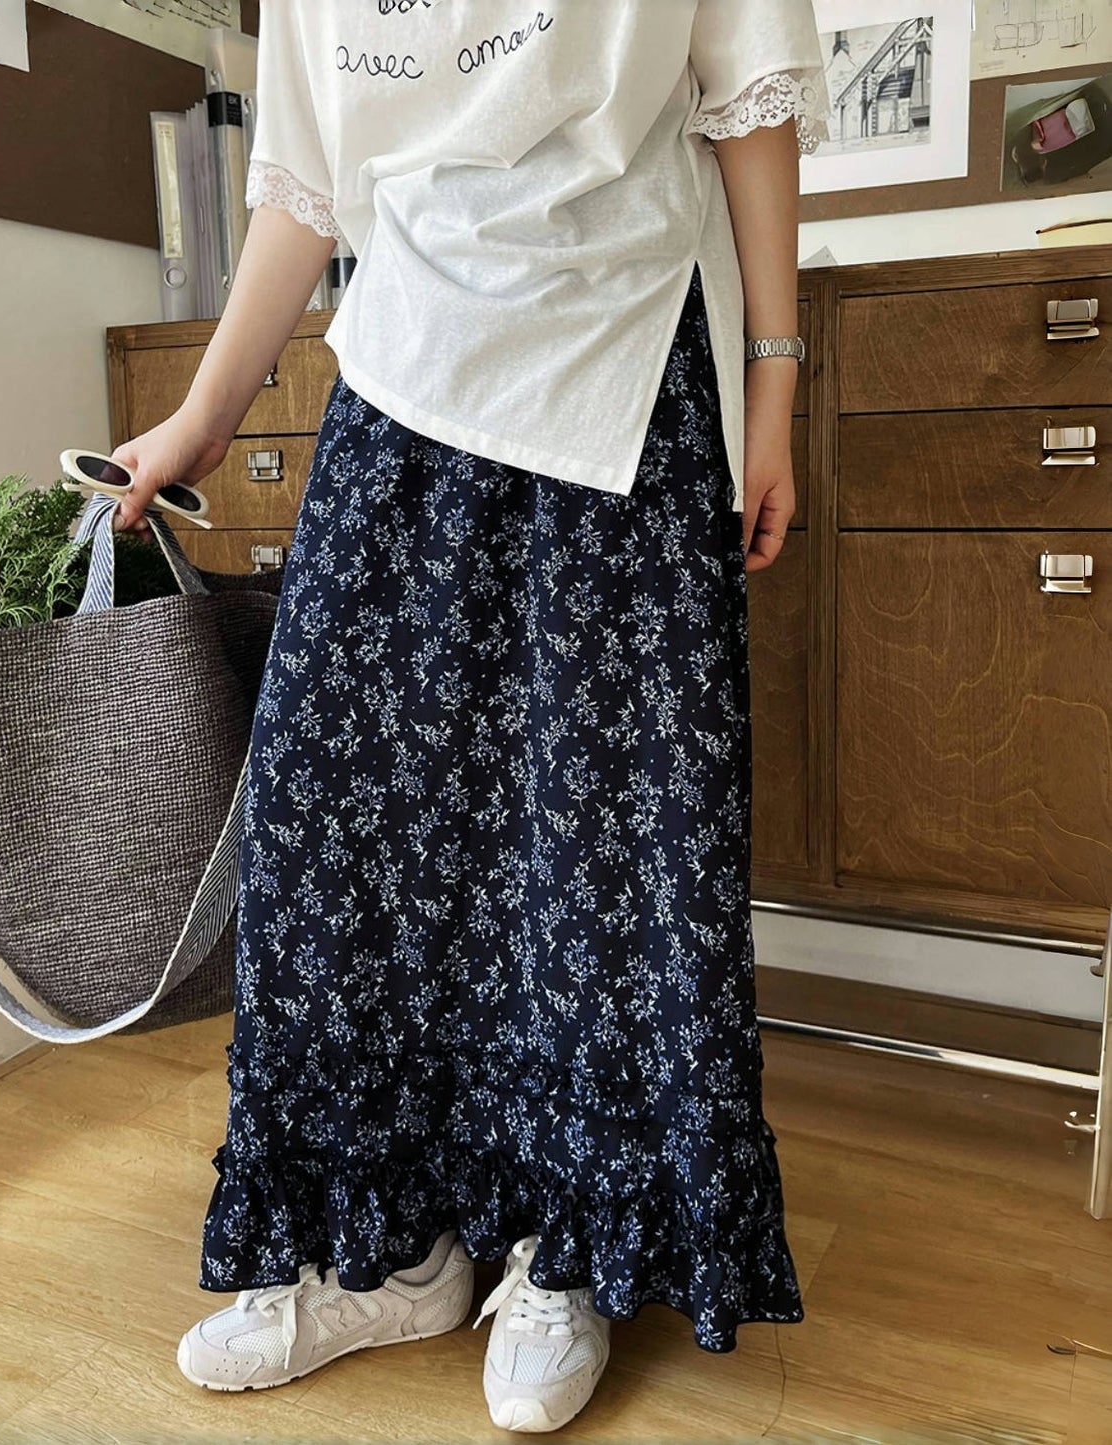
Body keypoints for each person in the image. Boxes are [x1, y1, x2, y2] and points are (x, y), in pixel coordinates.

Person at [111, 2, 830, 1433]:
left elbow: (748, 99)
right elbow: (307, 191)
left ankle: (563, 1249)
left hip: (622, 370)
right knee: (337, 841)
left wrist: (772, 382)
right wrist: (202, 415)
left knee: (603, 861)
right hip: (398, 379)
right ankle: (390, 1251)